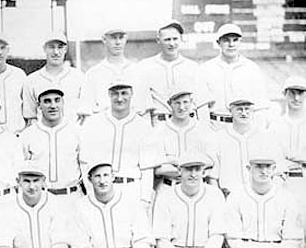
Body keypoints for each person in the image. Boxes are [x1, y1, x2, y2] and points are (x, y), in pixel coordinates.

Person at [80, 79, 161, 207]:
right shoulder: (94, 123)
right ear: (108, 95)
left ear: (131, 94)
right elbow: (85, 163)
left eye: (124, 93)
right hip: (102, 189)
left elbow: (147, 168)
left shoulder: (143, 126)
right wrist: (91, 193)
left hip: (132, 188)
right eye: (115, 94)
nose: (119, 98)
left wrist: (144, 199)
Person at [268, 76, 306, 248]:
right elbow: (275, 160)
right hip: (286, 183)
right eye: (292, 93)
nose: (296, 98)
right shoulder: (276, 126)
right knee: (288, 239)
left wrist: (291, 156)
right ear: (284, 95)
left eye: (301, 93)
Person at [199, 23, 270, 130]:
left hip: (244, 128)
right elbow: (201, 106)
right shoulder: (206, 68)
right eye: (226, 40)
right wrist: (206, 131)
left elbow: (260, 106)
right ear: (219, 43)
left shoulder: (252, 68)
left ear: (240, 42)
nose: (231, 44)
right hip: (216, 126)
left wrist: (256, 131)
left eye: (235, 40)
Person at [20, 88, 83, 208]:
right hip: (41, 199)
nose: (53, 105)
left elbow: (85, 167)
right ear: (39, 106)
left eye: (57, 100)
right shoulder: (28, 135)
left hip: (72, 197)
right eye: (47, 101)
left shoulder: (76, 131)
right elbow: (21, 170)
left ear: (63, 103)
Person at [134, 21, 206, 125]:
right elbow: (142, 107)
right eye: (167, 40)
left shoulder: (192, 67)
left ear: (181, 38)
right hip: (159, 124)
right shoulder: (145, 67)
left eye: (175, 39)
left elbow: (201, 103)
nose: (172, 44)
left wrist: (204, 130)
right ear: (158, 40)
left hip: (188, 124)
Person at [214, 94, 283, 196]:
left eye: (247, 109)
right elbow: (212, 178)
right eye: (239, 109)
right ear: (230, 111)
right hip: (228, 195)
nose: (244, 113)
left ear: (253, 111)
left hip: (260, 196)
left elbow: (280, 172)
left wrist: (270, 193)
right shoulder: (219, 138)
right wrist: (219, 198)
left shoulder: (265, 136)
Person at [153, 86, 218, 194]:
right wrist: (194, 165)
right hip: (167, 187)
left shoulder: (202, 129)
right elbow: (157, 169)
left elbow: (210, 161)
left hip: (198, 188)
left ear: (192, 102)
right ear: (170, 104)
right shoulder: (159, 130)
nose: (182, 107)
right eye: (177, 103)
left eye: (185, 102)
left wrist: (171, 160)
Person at [22, 32, 85, 126]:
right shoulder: (32, 80)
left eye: (60, 47)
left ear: (66, 49)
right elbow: (30, 117)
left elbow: (84, 115)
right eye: (51, 47)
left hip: (72, 135)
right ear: (44, 49)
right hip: (43, 136)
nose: (56, 52)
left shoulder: (79, 77)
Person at [79, 26, 140, 115]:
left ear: (126, 38)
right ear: (104, 39)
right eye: (113, 38)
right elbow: (86, 108)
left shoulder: (137, 71)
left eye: (121, 37)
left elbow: (142, 107)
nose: (118, 42)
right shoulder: (93, 73)